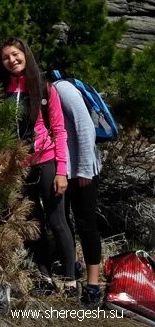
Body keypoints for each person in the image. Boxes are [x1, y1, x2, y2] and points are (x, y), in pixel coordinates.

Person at [0, 37, 76, 297]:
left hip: (46, 161)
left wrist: (62, 171)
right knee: (33, 223)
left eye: (16, 54)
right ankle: (44, 276)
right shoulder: (1, 90)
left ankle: (70, 278)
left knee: (57, 221)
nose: (12, 60)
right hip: (17, 167)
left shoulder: (43, 87)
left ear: (25, 54)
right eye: (6, 57)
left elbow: (59, 130)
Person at [54, 78, 103, 306]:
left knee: (86, 225)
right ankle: (72, 266)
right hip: (62, 170)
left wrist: (85, 169)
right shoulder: (37, 93)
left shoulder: (62, 88)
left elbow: (84, 126)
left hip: (82, 171)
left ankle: (93, 284)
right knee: (64, 221)